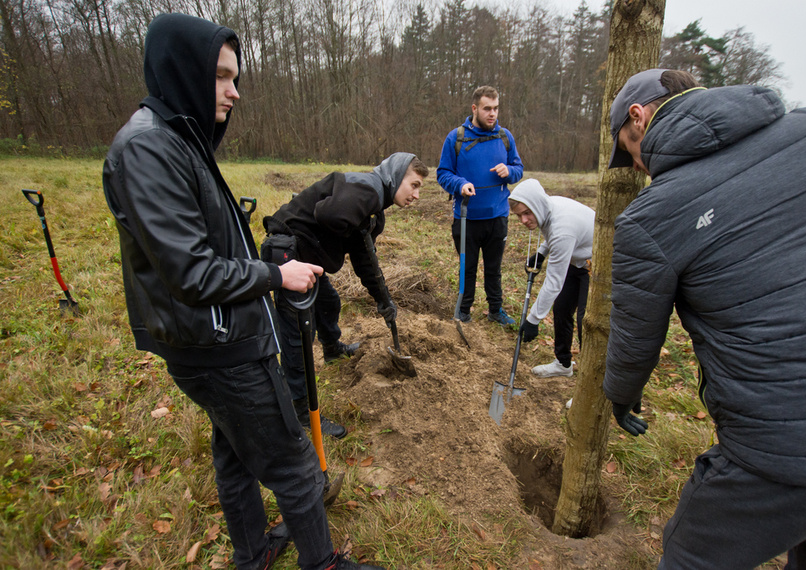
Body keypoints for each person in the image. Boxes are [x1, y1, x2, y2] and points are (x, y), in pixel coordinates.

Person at [103, 13, 384, 570]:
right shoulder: (149, 149)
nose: (234, 92)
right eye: (221, 76)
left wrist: (262, 268)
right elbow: (192, 273)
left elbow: (206, 246)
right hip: (219, 345)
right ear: (183, 71)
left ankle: (252, 556)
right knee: (294, 463)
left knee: (234, 455)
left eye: (235, 77)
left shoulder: (179, 139)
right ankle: (322, 563)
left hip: (213, 337)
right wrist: (277, 276)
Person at [603, 68, 806, 569]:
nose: (637, 166)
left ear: (639, 117)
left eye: (629, 151)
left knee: (692, 556)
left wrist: (621, 396)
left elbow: (634, 342)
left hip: (784, 444)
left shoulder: (652, 216)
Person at [263, 153, 428, 437]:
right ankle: (300, 412)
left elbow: (365, 261)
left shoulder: (373, 209)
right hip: (288, 252)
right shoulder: (368, 189)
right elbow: (328, 214)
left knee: (328, 301)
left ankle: (332, 349)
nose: (416, 195)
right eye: (414, 185)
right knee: (299, 335)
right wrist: (355, 225)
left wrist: (383, 300)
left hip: (306, 257)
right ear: (396, 175)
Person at [437, 85, 524, 326]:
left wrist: (510, 171)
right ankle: (463, 311)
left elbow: (519, 169)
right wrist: (460, 184)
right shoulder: (456, 138)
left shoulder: (505, 137)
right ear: (475, 108)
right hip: (467, 217)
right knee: (468, 267)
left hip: (498, 216)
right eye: (487, 108)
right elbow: (443, 173)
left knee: (494, 268)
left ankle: (496, 310)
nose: (492, 113)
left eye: (496, 108)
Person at [508, 179, 594, 378]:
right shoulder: (547, 207)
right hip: (577, 259)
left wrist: (533, 319)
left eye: (527, 213)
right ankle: (563, 364)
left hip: (597, 266)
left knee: (587, 321)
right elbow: (552, 233)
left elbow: (554, 282)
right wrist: (541, 252)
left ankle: (592, 378)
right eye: (519, 215)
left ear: (537, 206)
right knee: (562, 309)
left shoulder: (562, 229)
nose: (523, 220)